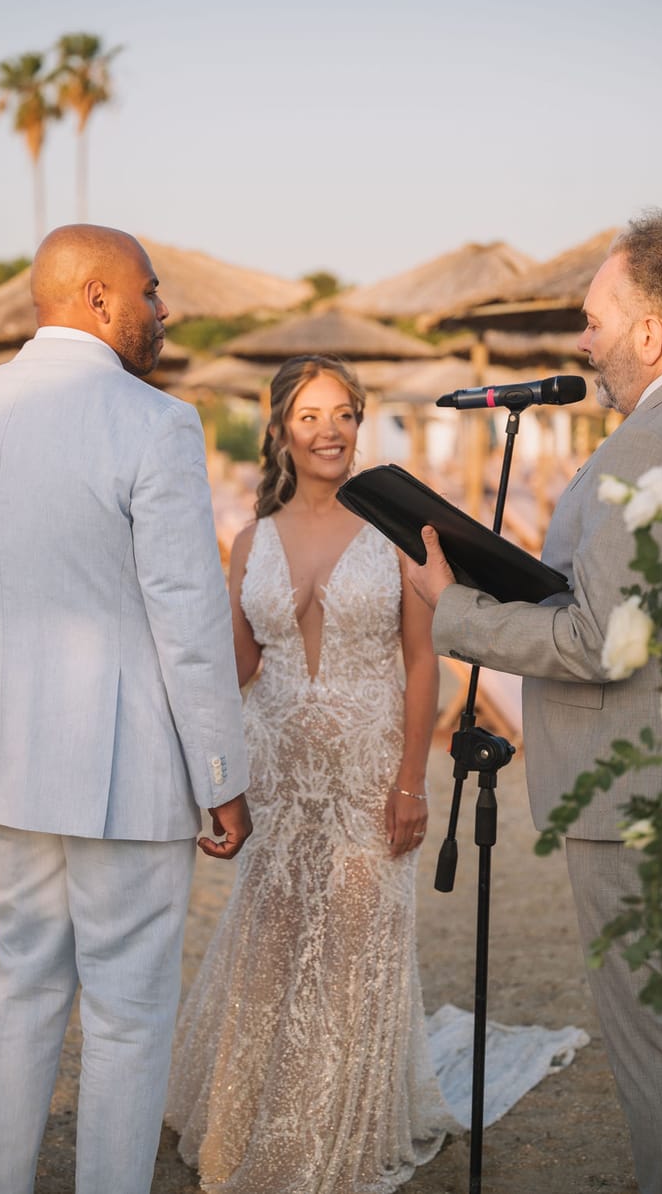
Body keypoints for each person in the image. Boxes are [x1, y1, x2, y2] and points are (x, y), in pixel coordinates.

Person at [0, 224, 252, 1194]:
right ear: (100, 299)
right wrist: (220, 776)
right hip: (123, 760)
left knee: (21, 985)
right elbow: (187, 620)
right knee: (126, 1010)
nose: (162, 311)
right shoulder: (150, 421)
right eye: (151, 292)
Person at [407, 208, 662, 1194]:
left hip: (634, 801)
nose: (578, 340)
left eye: (591, 318)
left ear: (649, 331)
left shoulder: (641, 445)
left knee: (661, 1046)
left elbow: (593, 639)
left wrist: (451, 606)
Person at [164, 355, 453, 1193]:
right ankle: (256, 1116)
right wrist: (213, 772)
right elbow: (236, 668)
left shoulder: (402, 528)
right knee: (274, 944)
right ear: (282, 430)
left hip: (368, 773)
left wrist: (411, 783)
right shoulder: (252, 539)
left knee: (356, 949)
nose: (329, 430)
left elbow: (424, 666)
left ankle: (337, 1128)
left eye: (344, 414)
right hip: (278, 774)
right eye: (310, 415)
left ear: (360, 423)